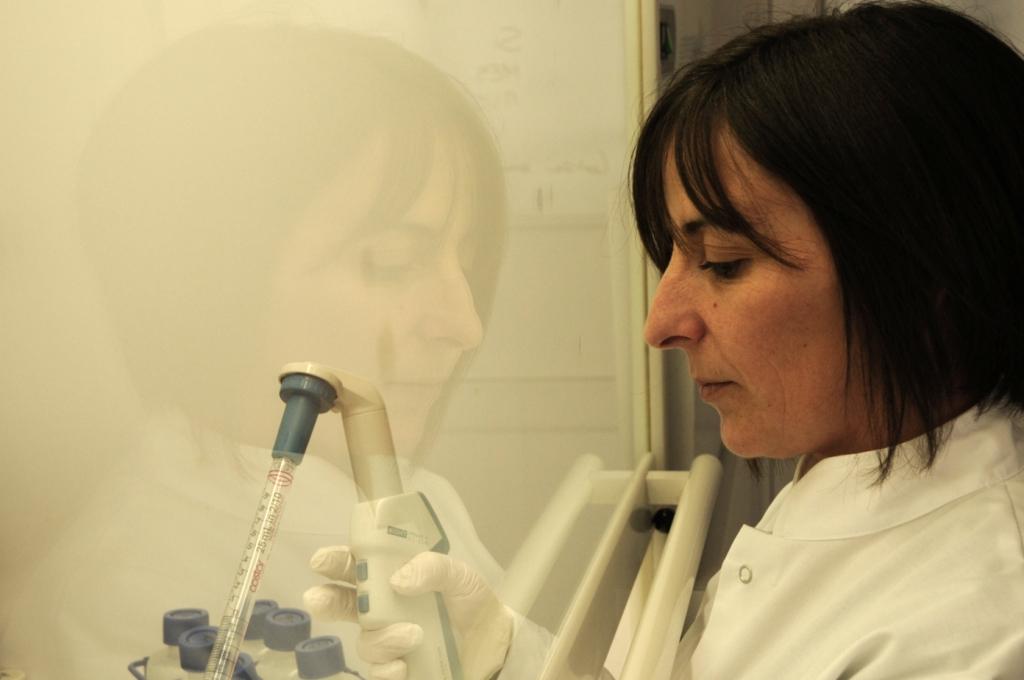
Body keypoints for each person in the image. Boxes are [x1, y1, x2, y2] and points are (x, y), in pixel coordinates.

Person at [0, 22, 553, 679]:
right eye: (392, 260)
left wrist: (506, 653)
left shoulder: (402, 494)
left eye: (466, 263)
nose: (465, 326)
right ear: (207, 284)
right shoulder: (115, 601)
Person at [631, 1, 1024, 677]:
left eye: (723, 261)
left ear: (928, 274)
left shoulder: (970, 635)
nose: (661, 325)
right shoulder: (851, 464)